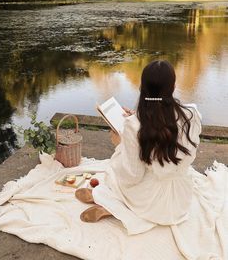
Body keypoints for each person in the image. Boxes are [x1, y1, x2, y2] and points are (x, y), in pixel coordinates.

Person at [75, 60, 228, 258]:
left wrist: (121, 142)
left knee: (114, 170)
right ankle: (107, 202)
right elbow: (165, 128)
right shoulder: (192, 114)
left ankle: (113, 206)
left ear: (142, 87)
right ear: (173, 87)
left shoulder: (134, 125)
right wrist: (138, 122)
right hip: (180, 200)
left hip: (150, 204)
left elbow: (132, 176)